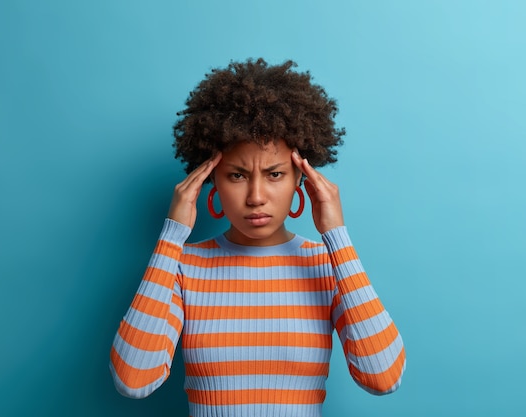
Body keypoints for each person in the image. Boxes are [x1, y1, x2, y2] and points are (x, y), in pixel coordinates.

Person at [110, 58, 406, 417]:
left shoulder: (328, 267)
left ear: (301, 178)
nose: (256, 196)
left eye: (275, 174)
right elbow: (133, 379)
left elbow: (383, 376)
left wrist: (337, 238)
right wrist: (171, 238)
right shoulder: (183, 267)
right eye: (236, 175)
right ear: (211, 180)